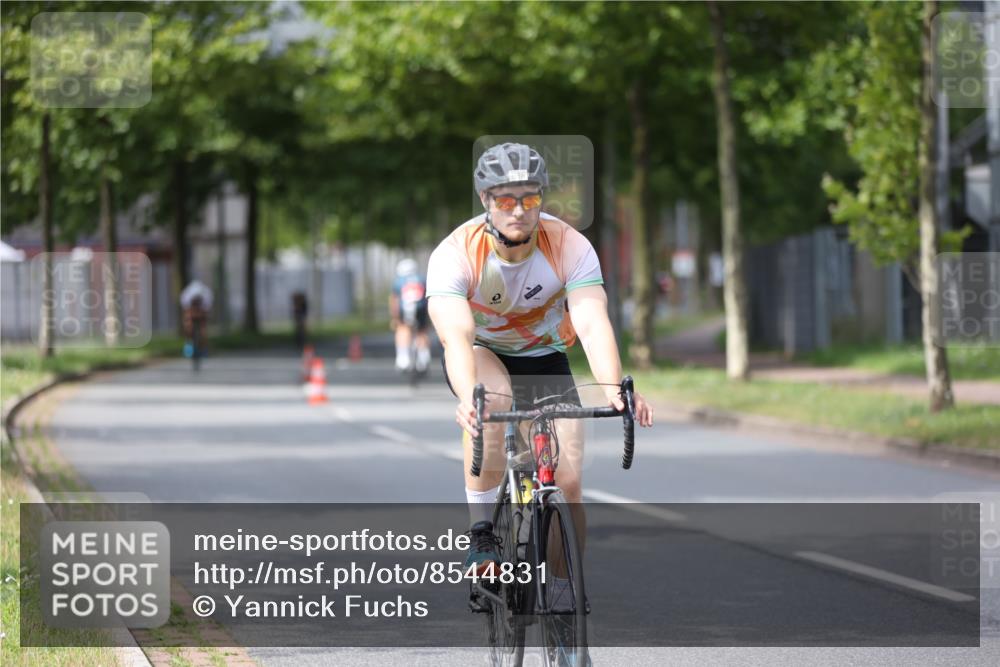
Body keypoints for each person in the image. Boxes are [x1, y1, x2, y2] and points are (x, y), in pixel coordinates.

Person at [426, 143, 654, 576]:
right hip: (483, 352)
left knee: (567, 484)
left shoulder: (568, 244)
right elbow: (456, 335)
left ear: (541, 199)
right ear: (485, 201)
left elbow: (590, 320)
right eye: (505, 200)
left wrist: (614, 387)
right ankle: (482, 535)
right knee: (491, 401)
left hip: (545, 356)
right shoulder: (456, 253)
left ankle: (565, 607)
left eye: (529, 198)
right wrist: (465, 396)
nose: (518, 210)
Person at [390, 258, 431, 374]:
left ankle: (403, 358)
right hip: (421, 308)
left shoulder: (398, 281)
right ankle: (423, 356)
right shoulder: (422, 279)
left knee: (402, 328)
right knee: (422, 331)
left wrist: (395, 318)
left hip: (405, 308)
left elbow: (394, 301)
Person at [180, 279, 213, 360]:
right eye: (195, 301)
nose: (196, 303)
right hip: (190, 310)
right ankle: (188, 346)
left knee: (203, 329)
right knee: (188, 325)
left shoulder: (207, 296)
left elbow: (206, 310)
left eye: (198, 301)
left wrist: (203, 315)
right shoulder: (186, 297)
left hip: (202, 311)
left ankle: (204, 348)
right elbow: (186, 309)